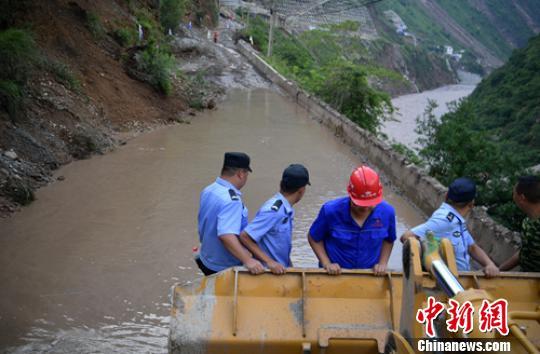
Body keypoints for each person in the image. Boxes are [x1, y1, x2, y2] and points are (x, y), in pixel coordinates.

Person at [400, 177, 499, 277]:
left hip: (461, 279)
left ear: (447, 195)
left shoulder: (457, 221)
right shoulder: (444, 220)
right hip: (448, 282)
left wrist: (489, 264)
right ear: (471, 204)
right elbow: (406, 236)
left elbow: (472, 247)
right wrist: (430, 257)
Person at [308, 165, 396, 276]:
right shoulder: (330, 211)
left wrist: (382, 263)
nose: (365, 208)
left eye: (370, 204)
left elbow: (389, 240)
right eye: (360, 204)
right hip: (334, 277)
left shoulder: (387, 213)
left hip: (369, 276)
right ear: (350, 194)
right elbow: (314, 238)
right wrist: (327, 263)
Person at [196, 152, 264, 276]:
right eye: (247, 174)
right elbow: (226, 235)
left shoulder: (209, 189)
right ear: (241, 174)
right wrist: (248, 260)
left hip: (207, 257)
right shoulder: (232, 201)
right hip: (223, 267)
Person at [239, 164, 310, 275]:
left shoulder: (286, 209)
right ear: (301, 190)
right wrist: (270, 262)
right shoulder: (274, 211)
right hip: (267, 273)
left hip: (280, 271)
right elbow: (245, 236)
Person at [499, 176, 540, 272]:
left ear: (522, 198)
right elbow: (525, 253)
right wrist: (500, 270)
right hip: (527, 280)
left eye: (514, 192)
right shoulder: (528, 222)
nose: (512, 195)